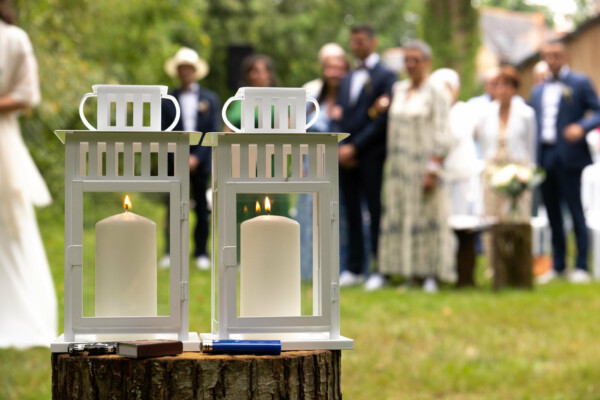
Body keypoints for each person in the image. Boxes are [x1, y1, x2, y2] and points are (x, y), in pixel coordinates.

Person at [0, 0, 57, 348]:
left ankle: (20, 312)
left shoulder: (14, 39)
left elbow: (26, 95)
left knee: (10, 221)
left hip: (2, 140)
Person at [376, 40, 453, 292]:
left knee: (427, 217)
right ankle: (406, 272)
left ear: (427, 62)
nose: (410, 65)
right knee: (400, 216)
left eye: (415, 60)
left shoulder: (437, 91)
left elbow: (443, 132)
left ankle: (430, 273)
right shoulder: (398, 90)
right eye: (406, 60)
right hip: (399, 167)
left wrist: (433, 168)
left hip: (424, 165)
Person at [530, 40, 600, 284]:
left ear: (566, 56)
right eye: (547, 56)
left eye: (556, 55)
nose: (552, 60)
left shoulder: (580, 83)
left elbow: (598, 111)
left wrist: (581, 127)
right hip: (544, 156)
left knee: (575, 209)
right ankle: (558, 265)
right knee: (551, 212)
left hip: (570, 155)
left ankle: (581, 265)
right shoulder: (538, 90)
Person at [333, 24, 397, 287]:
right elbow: (339, 114)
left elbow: (381, 121)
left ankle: (381, 268)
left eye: (360, 41)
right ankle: (355, 267)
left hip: (372, 154)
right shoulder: (347, 78)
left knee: (376, 209)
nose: (355, 46)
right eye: (353, 42)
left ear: (373, 42)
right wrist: (339, 146)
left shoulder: (386, 76)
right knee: (351, 212)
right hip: (345, 156)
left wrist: (356, 146)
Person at [161, 47, 220, 270]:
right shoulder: (167, 99)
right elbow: (163, 130)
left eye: (189, 67)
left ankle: (201, 252)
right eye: (181, 68)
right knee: (173, 206)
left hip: (200, 161)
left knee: (202, 209)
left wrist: (196, 158)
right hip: (174, 160)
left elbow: (212, 130)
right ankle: (170, 251)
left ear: (195, 70)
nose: (185, 71)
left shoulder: (210, 99)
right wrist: (178, 156)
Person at [476, 66, 536, 273]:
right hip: (493, 168)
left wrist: (527, 173)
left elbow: (530, 146)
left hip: (518, 168)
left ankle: (518, 265)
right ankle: (493, 265)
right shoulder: (485, 113)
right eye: (499, 85)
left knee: (517, 216)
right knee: (492, 217)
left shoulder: (526, 114)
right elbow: (484, 143)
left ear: (515, 89)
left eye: (508, 86)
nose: (503, 90)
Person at [297, 52, 350, 279]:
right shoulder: (312, 100)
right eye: (330, 67)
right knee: (310, 212)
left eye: (339, 68)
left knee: (338, 213)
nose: (334, 73)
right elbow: (299, 132)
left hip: (339, 163)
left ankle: (340, 268)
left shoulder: (350, 100)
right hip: (311, 162)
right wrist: (299, 162)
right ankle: (309, 268)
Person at [225, 54, 278, 131]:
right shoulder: (239, 98)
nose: (251, 75)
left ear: (268, 74)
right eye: (249, 71)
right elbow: (228, 127)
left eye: (256, 71)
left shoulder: (280, 99)